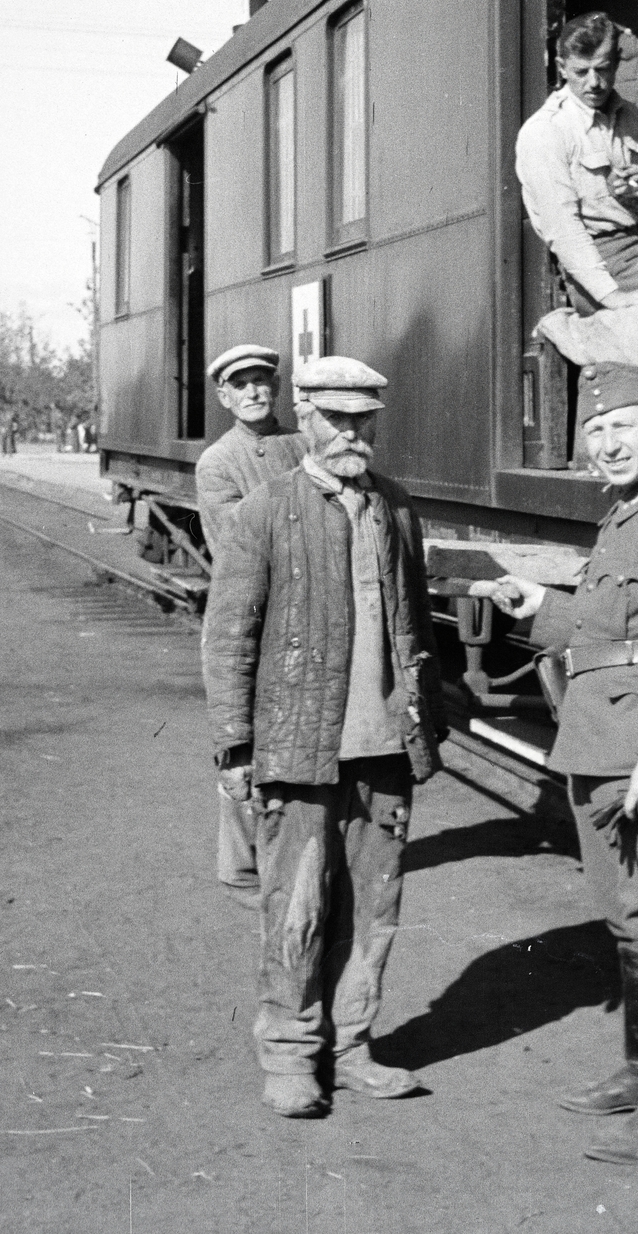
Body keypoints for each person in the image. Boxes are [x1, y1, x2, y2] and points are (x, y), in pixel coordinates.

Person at [473, 364, 638, 1162]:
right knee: (626, 917)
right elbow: (615, 628)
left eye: (623, 426)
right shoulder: (627, 515)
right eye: (594, 431)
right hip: (597, 744)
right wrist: (544, 609)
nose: (607, 444)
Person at [201, 356, 447, 1118]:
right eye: (334, 417)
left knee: (374, 908)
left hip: (384, 750)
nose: (350, 431)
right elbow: (229, 635)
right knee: (296, 907)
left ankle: (353, 1048)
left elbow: (414, 623)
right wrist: (235, 745)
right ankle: (290, 1055)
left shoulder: (397, 508)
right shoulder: (267, 508)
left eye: (362, 418)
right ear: (303, 418)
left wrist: (426, 721)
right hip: (298, 748)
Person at [195, 344, 306, 902]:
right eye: (242, 385)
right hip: (251, 613)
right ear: (225, 396)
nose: (255, 392)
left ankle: (287, 854)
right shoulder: (217, 462)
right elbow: (240, 539)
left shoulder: (301, 444)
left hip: (304, 608)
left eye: (263, 381)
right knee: (243, 739)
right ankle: (240, 869)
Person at [515, 12, 638, 316]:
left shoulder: (630, 116)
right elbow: (562, 229)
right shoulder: (546, 131)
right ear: (562, 68)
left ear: (616, 63)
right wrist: (613, 296)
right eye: (581, 71)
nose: (594, 83)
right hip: (604, 267)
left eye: (602, 69)